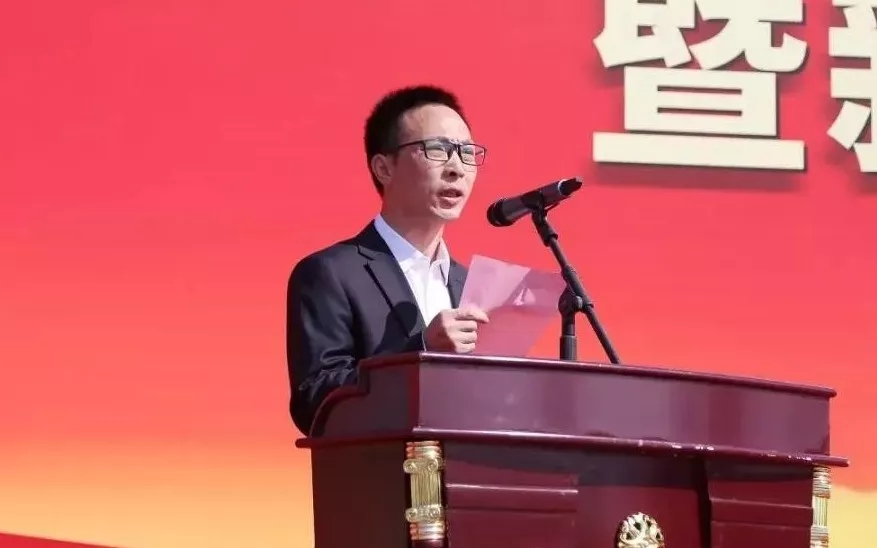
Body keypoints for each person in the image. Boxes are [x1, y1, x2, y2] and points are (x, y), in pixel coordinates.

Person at [286, 85, 490, 436]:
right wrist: (421, 350)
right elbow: (314, 401)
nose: (457, 168)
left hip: (468, 467)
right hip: (382, 468)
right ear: (384, 167)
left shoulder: (470, 285)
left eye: (467, 152)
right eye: (438, 149)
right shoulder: (329, 274)